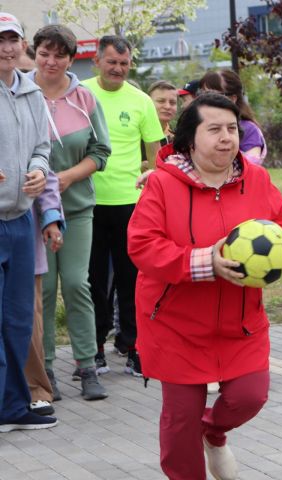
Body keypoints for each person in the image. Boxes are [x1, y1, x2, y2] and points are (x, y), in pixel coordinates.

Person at [127, 93, 282, 480]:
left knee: (249, 396)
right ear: (190, 139)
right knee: (179, 426)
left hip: (241, 322)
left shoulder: (256, 179)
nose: (226, 138)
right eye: (215, 130)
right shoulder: (161, 184)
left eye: (232, 129)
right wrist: (206, 262)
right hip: (176, 326)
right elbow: (142, 246)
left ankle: (215, 430)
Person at [29, 24, 111, 400]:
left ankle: (87, 365)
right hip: (30, 212)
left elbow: (100, 152)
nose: (51, 61)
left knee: (77, 284)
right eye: (45, 52)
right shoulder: (20, 93)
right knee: (42, 291)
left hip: (77, 208)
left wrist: (66, 178)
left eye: (60, 54)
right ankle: (45, 370)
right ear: (35, 54)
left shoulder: (85, 97)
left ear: (71, 58)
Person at [83, 35, 164, 377]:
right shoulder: (81, 93)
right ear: (97, 62)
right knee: (92, 280)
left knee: (133, 280)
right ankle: (95, 348)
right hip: (87, 202)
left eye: (124, 63)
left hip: (131, 205)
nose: (118, 69)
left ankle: (133, 347)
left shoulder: (142, 100)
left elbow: (156, 156)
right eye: (111, 62)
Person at [0, 11, 56, 432]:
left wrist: (37, 169)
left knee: (20, 320)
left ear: (23, 45)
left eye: (12, 39)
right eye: (0, 40)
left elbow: (42, 146)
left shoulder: (32, 93)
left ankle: (14, 406)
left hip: (20, 221)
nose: (6, 48)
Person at [25, 171, 64, 415]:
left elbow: (44, 173)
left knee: (29, 320)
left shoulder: (30, 131)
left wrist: (50, 218)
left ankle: (36, 390)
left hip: (22, 233)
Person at [198, 70, 267, 165]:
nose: (206, 100)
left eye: (213, 95)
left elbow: (252, 163)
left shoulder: (248, 129)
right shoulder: (198, 125)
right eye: (202, 94)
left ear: (233, 99)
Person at [148, 80, 178, 145]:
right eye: (161, 101)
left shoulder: (178, 138)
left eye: (172, 102)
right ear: (148, 102)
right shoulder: (135, 136)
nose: (168, 107)